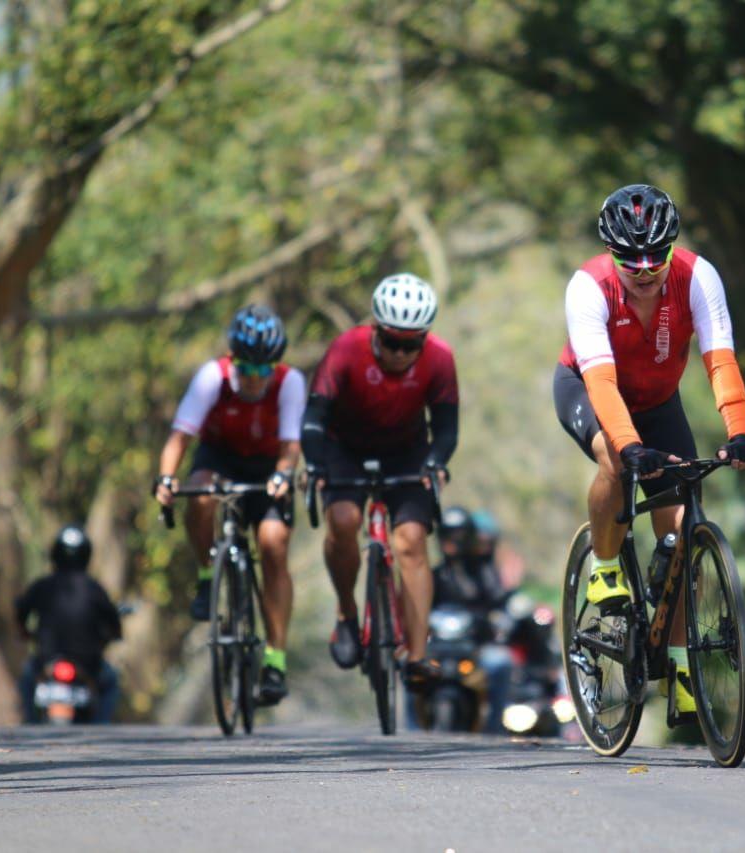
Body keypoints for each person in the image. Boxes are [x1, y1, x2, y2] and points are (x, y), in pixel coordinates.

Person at [553, 183, 745, 716]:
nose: (644, 275)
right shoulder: (589, 287)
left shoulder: (698, 276)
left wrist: (739, 432)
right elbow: (600, 382)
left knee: (681, 532)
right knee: (617, 462)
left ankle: (678, 659)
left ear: (671, 249)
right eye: (631, 264)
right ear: (611, 254)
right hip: (590, 390)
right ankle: (603, 568)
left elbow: (721, 361)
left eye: (655, 262)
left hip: (658, 402)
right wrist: (628, 445)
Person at [300, 273, 458, 690]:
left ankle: (417, 654)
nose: (401, 353)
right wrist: (315, 464)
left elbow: (445, 427)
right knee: (345, 519)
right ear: (375, 331)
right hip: (344, 449)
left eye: (412, 344)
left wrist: (437, 461)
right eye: (391, 342)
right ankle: (347, 614)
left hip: (407, 452)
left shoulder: (440, 358)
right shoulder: (346, 349)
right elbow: (315, 417)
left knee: (410, 540)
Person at [153, 305, 304, 707]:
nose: (254, 380)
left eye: (263, 370)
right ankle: (207, 574)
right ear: (232, 359)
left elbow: (291, 446)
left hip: (267, 465)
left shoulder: (289, 382)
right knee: (199, 495)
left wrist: (284, 474)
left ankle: (274, 660)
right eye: (246, 369)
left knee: (273, 543)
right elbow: (180, 437)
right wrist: (166, 479)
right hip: (219, 456)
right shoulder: (212, 378)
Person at [16, 526, 122, 723]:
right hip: (88, 666)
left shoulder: (41, 586)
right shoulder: (94, 589)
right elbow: (113, 622)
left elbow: (21, 612)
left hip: (46, 663)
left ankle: (29, 723)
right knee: (111, 681)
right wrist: (112, 635)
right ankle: (101, 726)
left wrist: (25, 632)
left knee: (27, 680)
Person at [430, 507, 512, 732]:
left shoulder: (484, 573)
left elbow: (500, 606)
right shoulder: (432, 575)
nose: (451, 542)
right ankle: (411, 728)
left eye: (458, 536)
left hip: (477, 649)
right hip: (438, 650)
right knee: (410, 665)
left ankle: (493, 730)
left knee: (501, 663)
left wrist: (495, 621)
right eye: (447, 535)